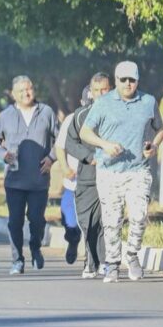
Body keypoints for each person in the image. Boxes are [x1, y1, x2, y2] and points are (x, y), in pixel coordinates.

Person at [79, 61, 163, 283]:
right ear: (116, 80)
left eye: (132, 80)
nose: (128, 84)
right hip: (109, 171)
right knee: (112, 220)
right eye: (123, 80)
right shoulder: (103, 103)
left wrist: (154, 146)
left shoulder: (148, 102)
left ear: (137, 80)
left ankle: (132, 255)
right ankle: (113, 263)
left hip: (138, 169)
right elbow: (85, 132)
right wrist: (104, 145)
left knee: (138, 216)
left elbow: (161, 129)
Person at [0, 75, 59, 275]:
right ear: (14, 94)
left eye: (29, 88)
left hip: (39, 179)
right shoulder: (5, 115)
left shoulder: (46, 112)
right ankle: (17, 260)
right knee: (15, 221)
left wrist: (51, 158)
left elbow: (61, 138)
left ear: (34, 89)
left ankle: (35, 248)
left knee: (37, 219)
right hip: (14, 179)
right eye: (21, 91)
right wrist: (3, 155)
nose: (26, 93)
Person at [65, 74, 112, 278]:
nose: (101, 94)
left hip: (113, 176)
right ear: (90, 92)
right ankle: (90, 260)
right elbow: (70, 143)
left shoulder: (121, 113)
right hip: (87, 176)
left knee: (107, 220)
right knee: (87, 221)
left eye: (105, 90)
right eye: (97, 90)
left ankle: (103, 261)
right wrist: (89, 156)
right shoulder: (80, 115)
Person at [55, 101, 84, 266]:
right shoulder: (71, 119)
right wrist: (65, 167)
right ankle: (73, 240)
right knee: (70, 223)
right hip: (73, 182)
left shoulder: (109, 117)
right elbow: (60, 146)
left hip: (98, 183)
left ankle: (95, 260)